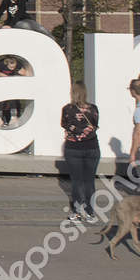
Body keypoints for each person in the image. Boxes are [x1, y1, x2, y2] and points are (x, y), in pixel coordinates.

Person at [60, 82, 101, 224]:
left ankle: (77, 211)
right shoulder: (93, 109)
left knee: (77, 181)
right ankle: (90, 212)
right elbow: (95, 124)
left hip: (73, 148)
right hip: (92, 147)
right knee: (89, 181)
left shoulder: (67, 109)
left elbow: (64, 124)